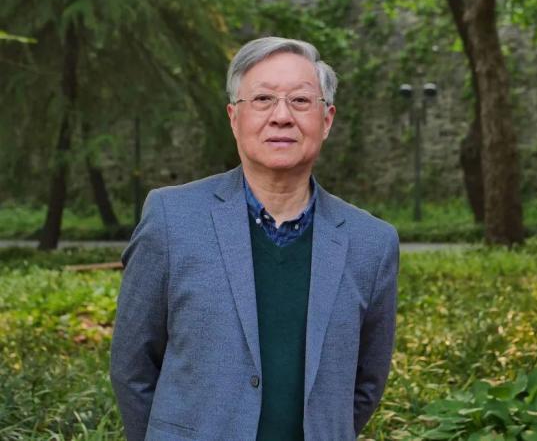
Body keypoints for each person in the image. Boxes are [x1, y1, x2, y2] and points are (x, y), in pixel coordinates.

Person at [110, 37, 400, 441]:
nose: (282, 116)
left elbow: (366, 382)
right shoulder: (172, 219)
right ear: (234, 118)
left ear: (327, 120)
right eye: (263, 99)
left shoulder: (372, 243)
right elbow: (132, 367)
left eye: (300, 101)